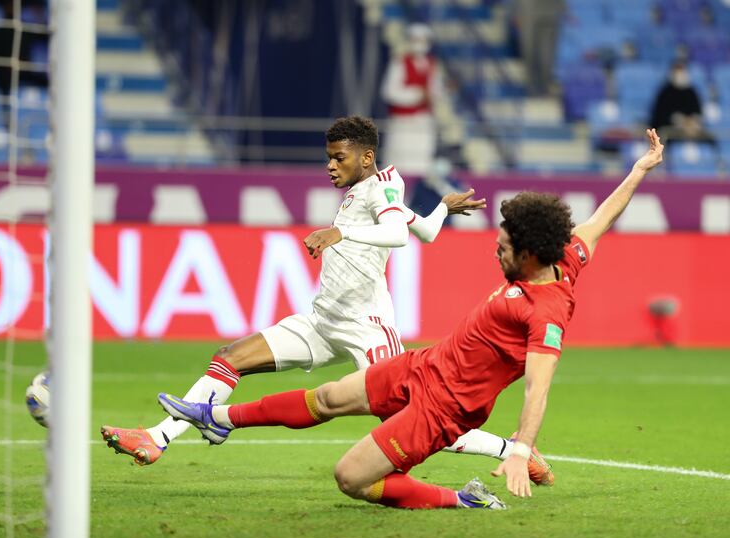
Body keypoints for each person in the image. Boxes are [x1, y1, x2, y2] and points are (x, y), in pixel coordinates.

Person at [157, 129, 665, 510]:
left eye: (505, 246)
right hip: (424, 365)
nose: (496, 247)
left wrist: (520, 449)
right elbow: (601, 219)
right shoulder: (568, 253)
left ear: (530, 254)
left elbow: (539, 387)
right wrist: (640, 170)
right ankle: (214, 417)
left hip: (445, 407)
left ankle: (461, 500)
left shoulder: (547, 309)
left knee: (351, 478)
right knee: (331, 395)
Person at [102, 116, 551, 484]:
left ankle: (515, 449)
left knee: (418, 417)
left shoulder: (384, 188)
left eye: (339, 158)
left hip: (365, 327)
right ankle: (157, 438)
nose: (331, 167)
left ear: (367, 157)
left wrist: (340, 231)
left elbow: (396, 233)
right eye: (328, 159)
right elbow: (425, 232)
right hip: (322, 320)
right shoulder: (367, 191)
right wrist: (442, 209)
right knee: (231, 356)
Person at [380, 23, 443, 176]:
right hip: (402, 122)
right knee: (399, 161)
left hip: (423, 121)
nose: (419, 44)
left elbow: (436, 91)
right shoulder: (400, 62)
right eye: (416, 39)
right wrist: (417, 94)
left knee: (421, 160)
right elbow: (389, 92)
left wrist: (432, 95)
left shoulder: (432, 64)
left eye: (423, 40)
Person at [649, 61, 715, 145]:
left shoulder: (691, 91)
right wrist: (680, 121)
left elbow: (698, 112)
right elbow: (659, 115)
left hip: (692, 128)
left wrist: (693, 121)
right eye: (678, 71)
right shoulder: (665, 92)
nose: (680, 74)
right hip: (671, 129)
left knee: (710, 138)